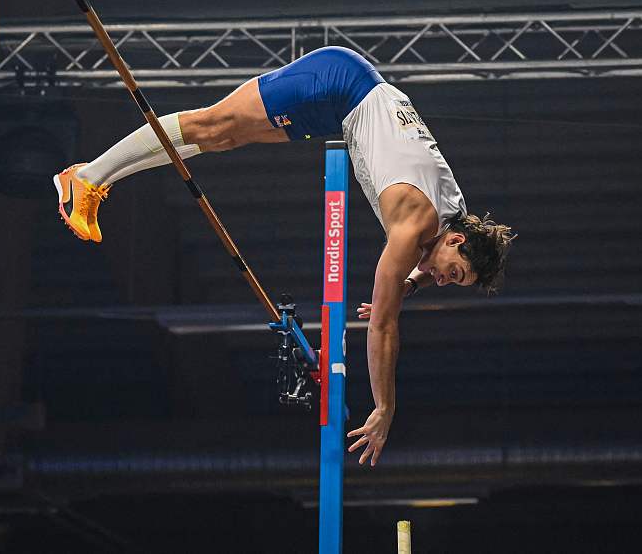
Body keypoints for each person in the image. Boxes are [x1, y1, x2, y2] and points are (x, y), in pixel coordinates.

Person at [53, 46, 515, 467]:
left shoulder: (457, 218)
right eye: (453, 273)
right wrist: (384, 407)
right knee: (212, 124)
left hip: (345, 105)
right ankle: (87, 176)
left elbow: (430, 270)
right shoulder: (413, 225)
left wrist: (412, 284)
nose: (446, 279)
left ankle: (96, 178)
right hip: (336, 82)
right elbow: (383, 326)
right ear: (454, 243)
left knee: (224, 139)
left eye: (456, 281)